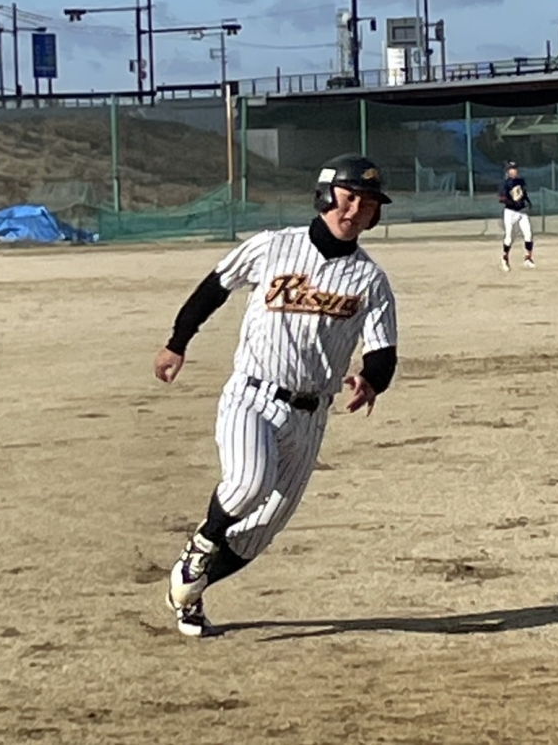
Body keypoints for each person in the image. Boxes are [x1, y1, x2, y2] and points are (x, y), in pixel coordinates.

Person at [153, 153, 398, 637]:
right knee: (249, 483)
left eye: (368, 204)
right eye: (349, 197)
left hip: (311, 416)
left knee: (260, 531)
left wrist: (372, 379)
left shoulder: (371, 280)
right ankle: (201, 543)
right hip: (253, 394)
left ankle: (191, 592)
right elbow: (214, 287)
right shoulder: (273, 247)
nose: (355, 211)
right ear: (326, 195)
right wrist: (178, 341)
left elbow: (383, 348)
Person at [499, 160, 534, 271]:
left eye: (514, 169)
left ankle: (528, 258)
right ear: (508, 171)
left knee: (528, 234)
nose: (513, 171)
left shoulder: (521, 181)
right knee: (509, 237)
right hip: (510, 212)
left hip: (522, 211)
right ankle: (505, 258)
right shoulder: (505, 184)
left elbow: (523, 194)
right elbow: (501, 198)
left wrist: (528, 202)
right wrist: (511, 201)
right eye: (511, 169)